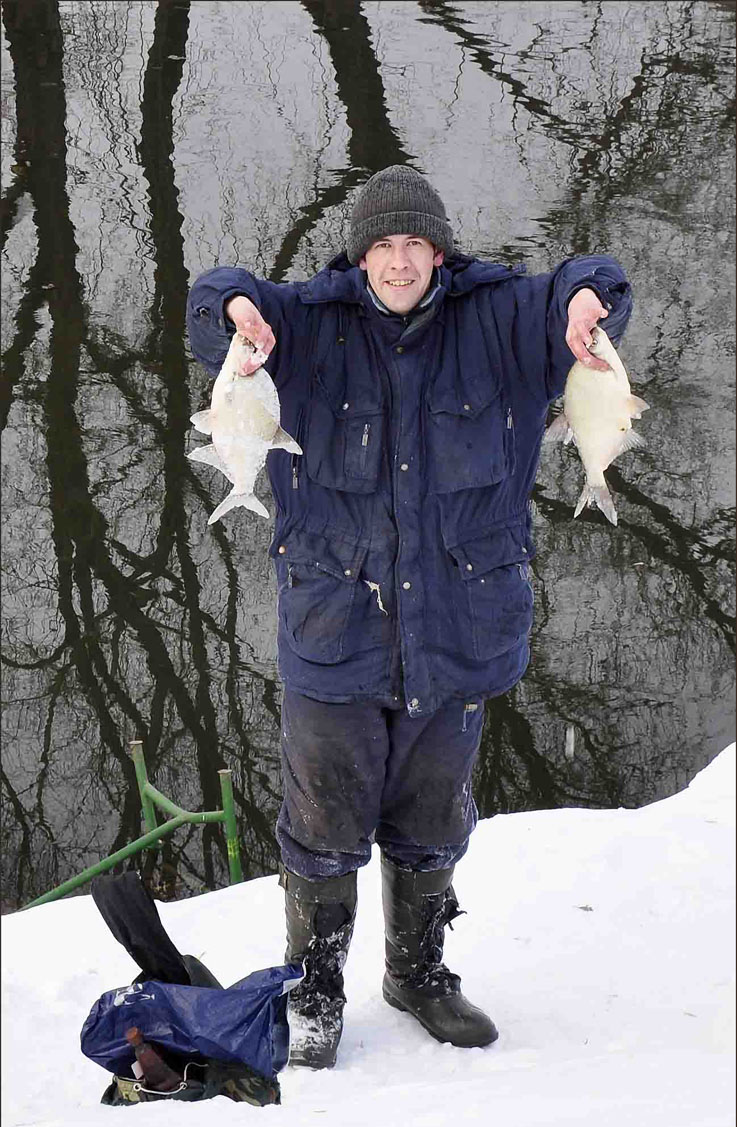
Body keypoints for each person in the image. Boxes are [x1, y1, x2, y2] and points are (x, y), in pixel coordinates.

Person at [187, 165, 632, 1069]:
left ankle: (417, 973)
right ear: (360, 256)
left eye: (416, 245)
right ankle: (313, 986)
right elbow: (213, 299)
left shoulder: (502, 321)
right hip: (334, 623)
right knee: (323, 821)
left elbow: (590, 282)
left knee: (433, 817)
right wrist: (233, 313)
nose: (399, 263)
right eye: (383, 246)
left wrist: (590, 303)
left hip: (459, 625)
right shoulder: (301, 324)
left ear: (440, 252)